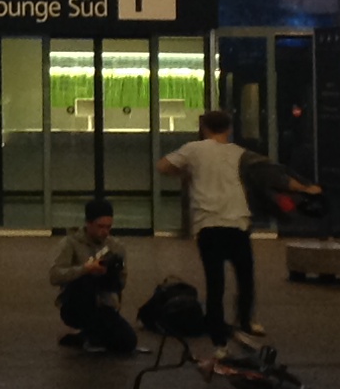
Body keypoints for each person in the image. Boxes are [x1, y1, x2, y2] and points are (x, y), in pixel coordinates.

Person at [159, 109, 284, 349]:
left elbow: (163, 166)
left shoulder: (194, 150)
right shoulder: (239, 153)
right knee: (245, 277)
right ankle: (245, 321)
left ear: (204, 128)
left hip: (208, 223)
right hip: (237, 220)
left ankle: (218, 337)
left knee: (215, 283)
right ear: (229, 128)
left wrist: (185, 172)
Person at [48, 198, 139, 355]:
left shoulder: (116, 246)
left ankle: (83, 337)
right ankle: (88, 333)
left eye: (108, 227)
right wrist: (85, 269)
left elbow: (121, 282)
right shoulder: (71, 243)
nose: (105, 232)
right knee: (85, 280)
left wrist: (110, 274)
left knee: (128, 342)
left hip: (104, 303)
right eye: (100, 226)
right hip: (76, 303)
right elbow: (55, 276)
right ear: (88, 224)